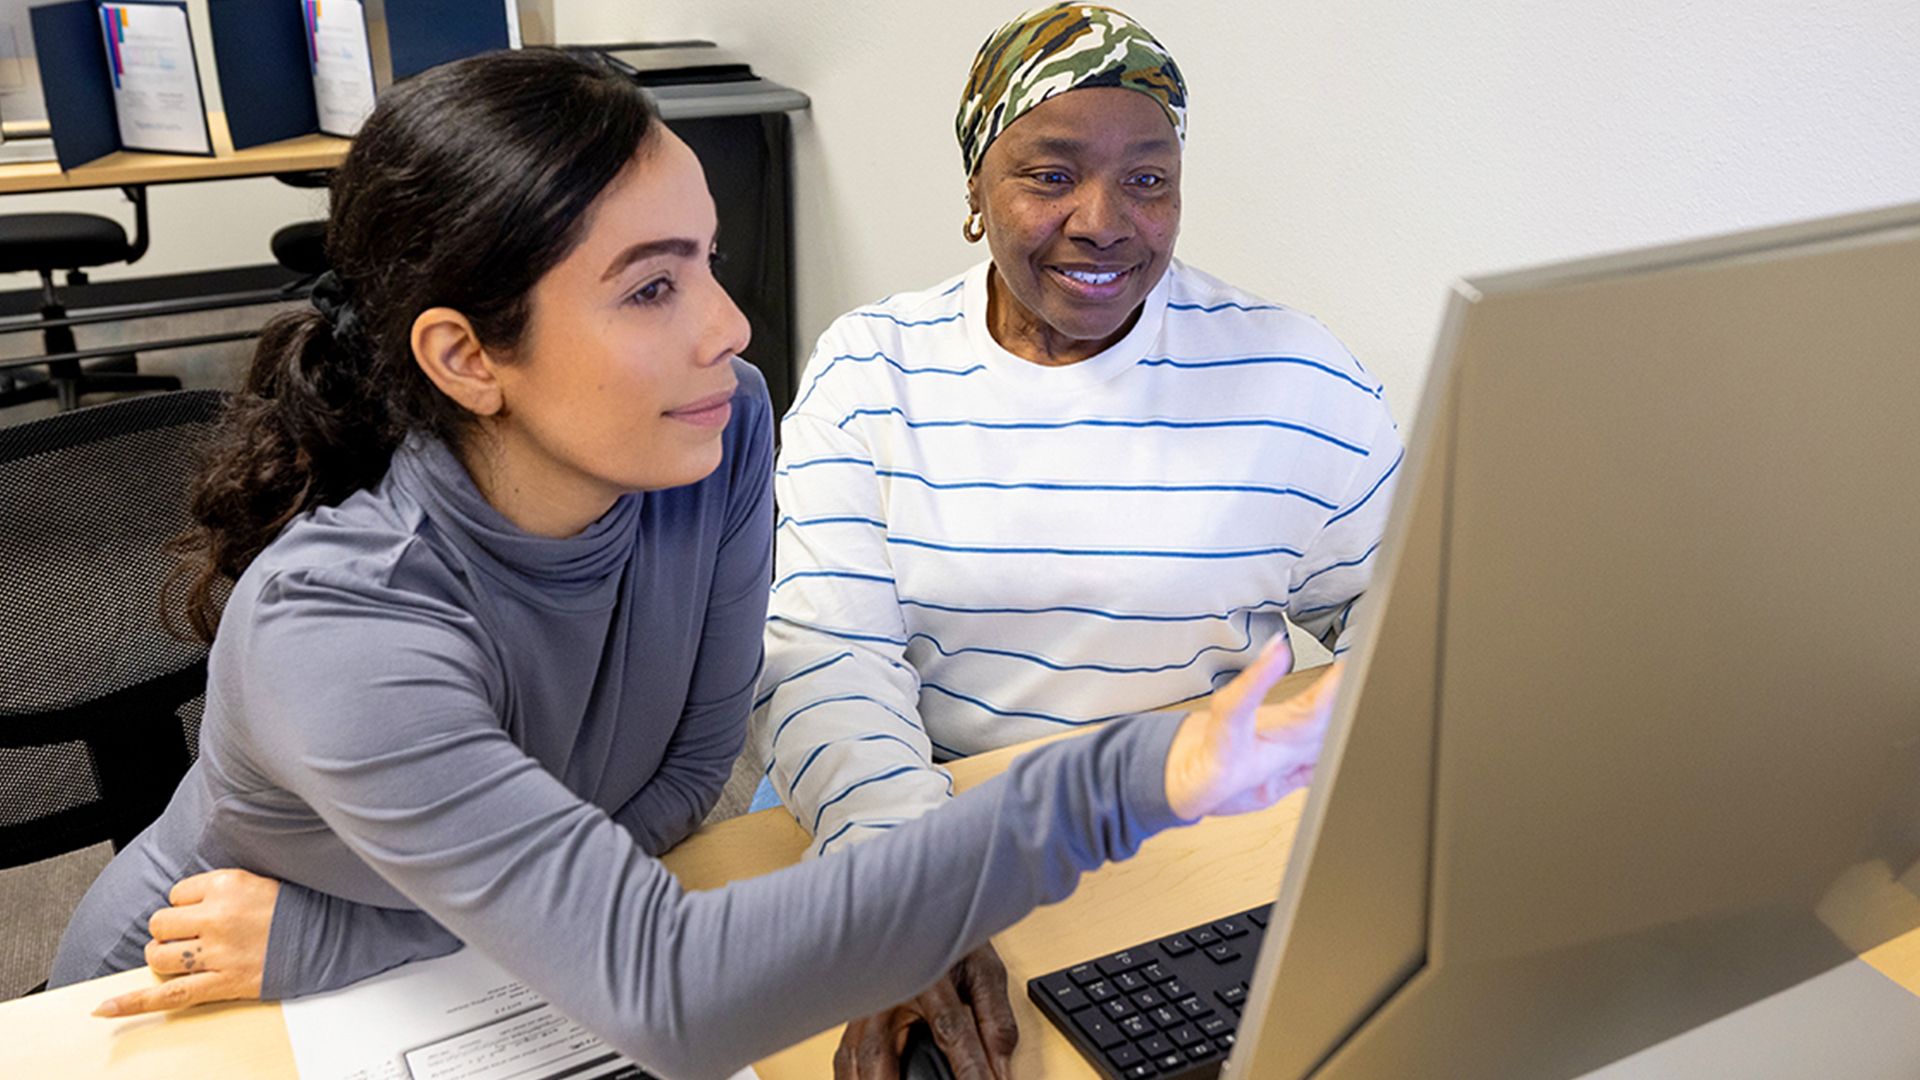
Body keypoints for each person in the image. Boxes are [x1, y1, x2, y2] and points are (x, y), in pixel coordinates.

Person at [47, 48, 1340, 1080]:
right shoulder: (342, 625)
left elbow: (674, 791)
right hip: (180, 999)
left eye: (707, 261)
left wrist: (373, 928)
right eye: (651, 289)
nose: (730, 326)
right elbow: (668, 990)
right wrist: (1137, 782)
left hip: (426, 962)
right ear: (465, 357)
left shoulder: (716, 441)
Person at [751, 4, 1403, 1074]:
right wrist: (913, 895)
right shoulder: (875, 369)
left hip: (1186, 833)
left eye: (1147, 179)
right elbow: (832, 661)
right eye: (1050, 175)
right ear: (974, 189)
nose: (1104, 219)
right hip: (935, 824)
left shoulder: (1298, 379)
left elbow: (1407, 613)